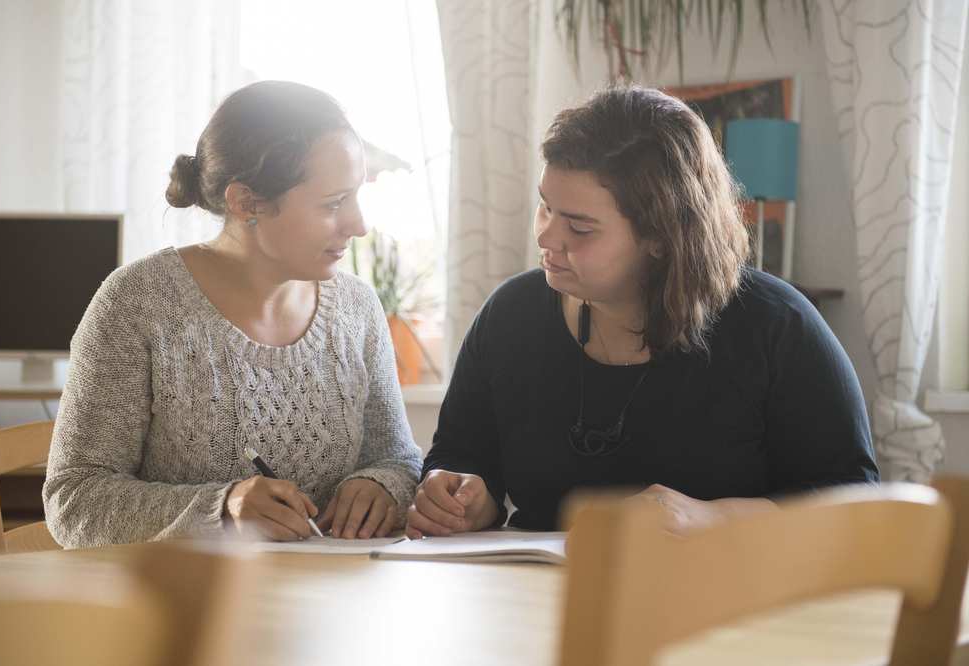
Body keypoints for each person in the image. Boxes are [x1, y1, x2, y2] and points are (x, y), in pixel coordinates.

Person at [407, 85, 878, 538]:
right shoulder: (511, 316)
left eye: (580, 227)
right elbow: (461, 455)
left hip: (730, 607)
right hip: (535, 604)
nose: (547, 237)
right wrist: (462, 499)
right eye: (546, 208)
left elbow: (855, 501)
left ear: (660, 238)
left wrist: (712, 520)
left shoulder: (777, 327)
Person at [44, 81, 422, 548]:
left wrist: (381, 485)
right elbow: (74, 499)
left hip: (332, 599)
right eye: (332, 204)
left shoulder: (357, 308)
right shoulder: (137, 304)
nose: (359, 224)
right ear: (246, 203)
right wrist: (221, 508)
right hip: (182, 611)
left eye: (355, 197)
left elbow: (398, 459)